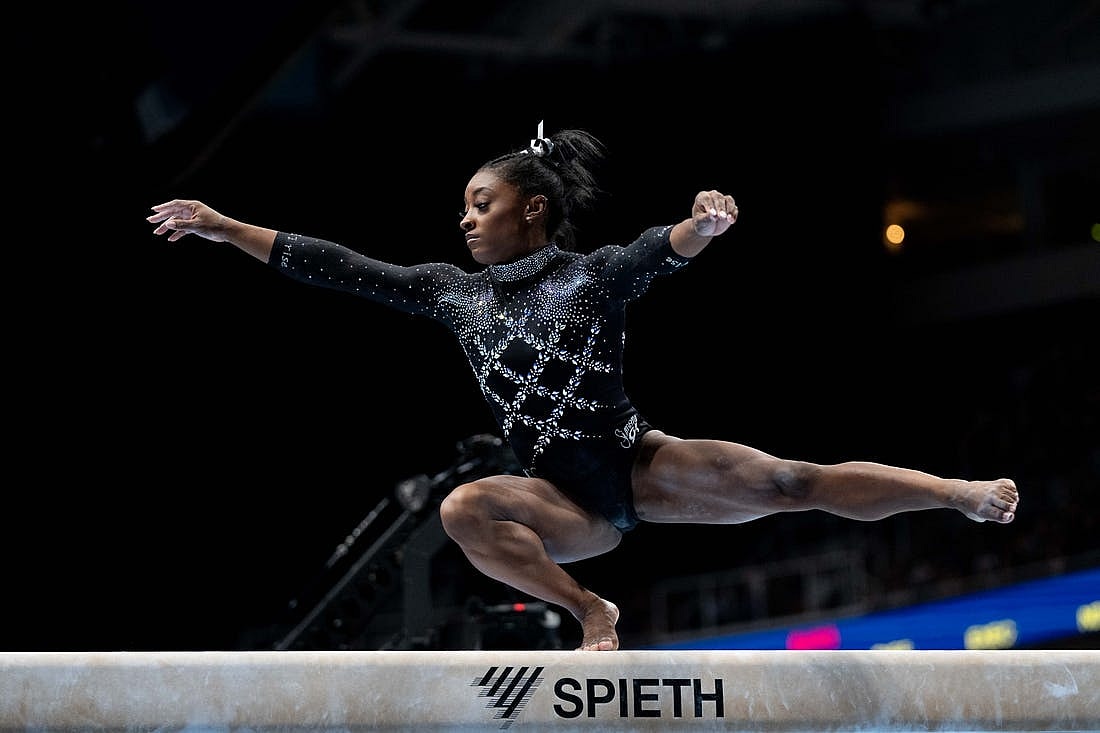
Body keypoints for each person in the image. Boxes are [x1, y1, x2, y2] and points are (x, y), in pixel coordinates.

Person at [147, 125, 1019, 651]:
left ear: (530, 208)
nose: (464, 217)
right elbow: (344, 267)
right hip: (564, 505)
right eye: (463, 204)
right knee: (460, 510)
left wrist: (703, 225)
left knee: (791, 482)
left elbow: (656, 252)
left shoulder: (593, 275)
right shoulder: (453, 292)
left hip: (639, 466)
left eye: (479, 202)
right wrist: (224, 227)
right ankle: (587, 609)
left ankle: (957, 492)